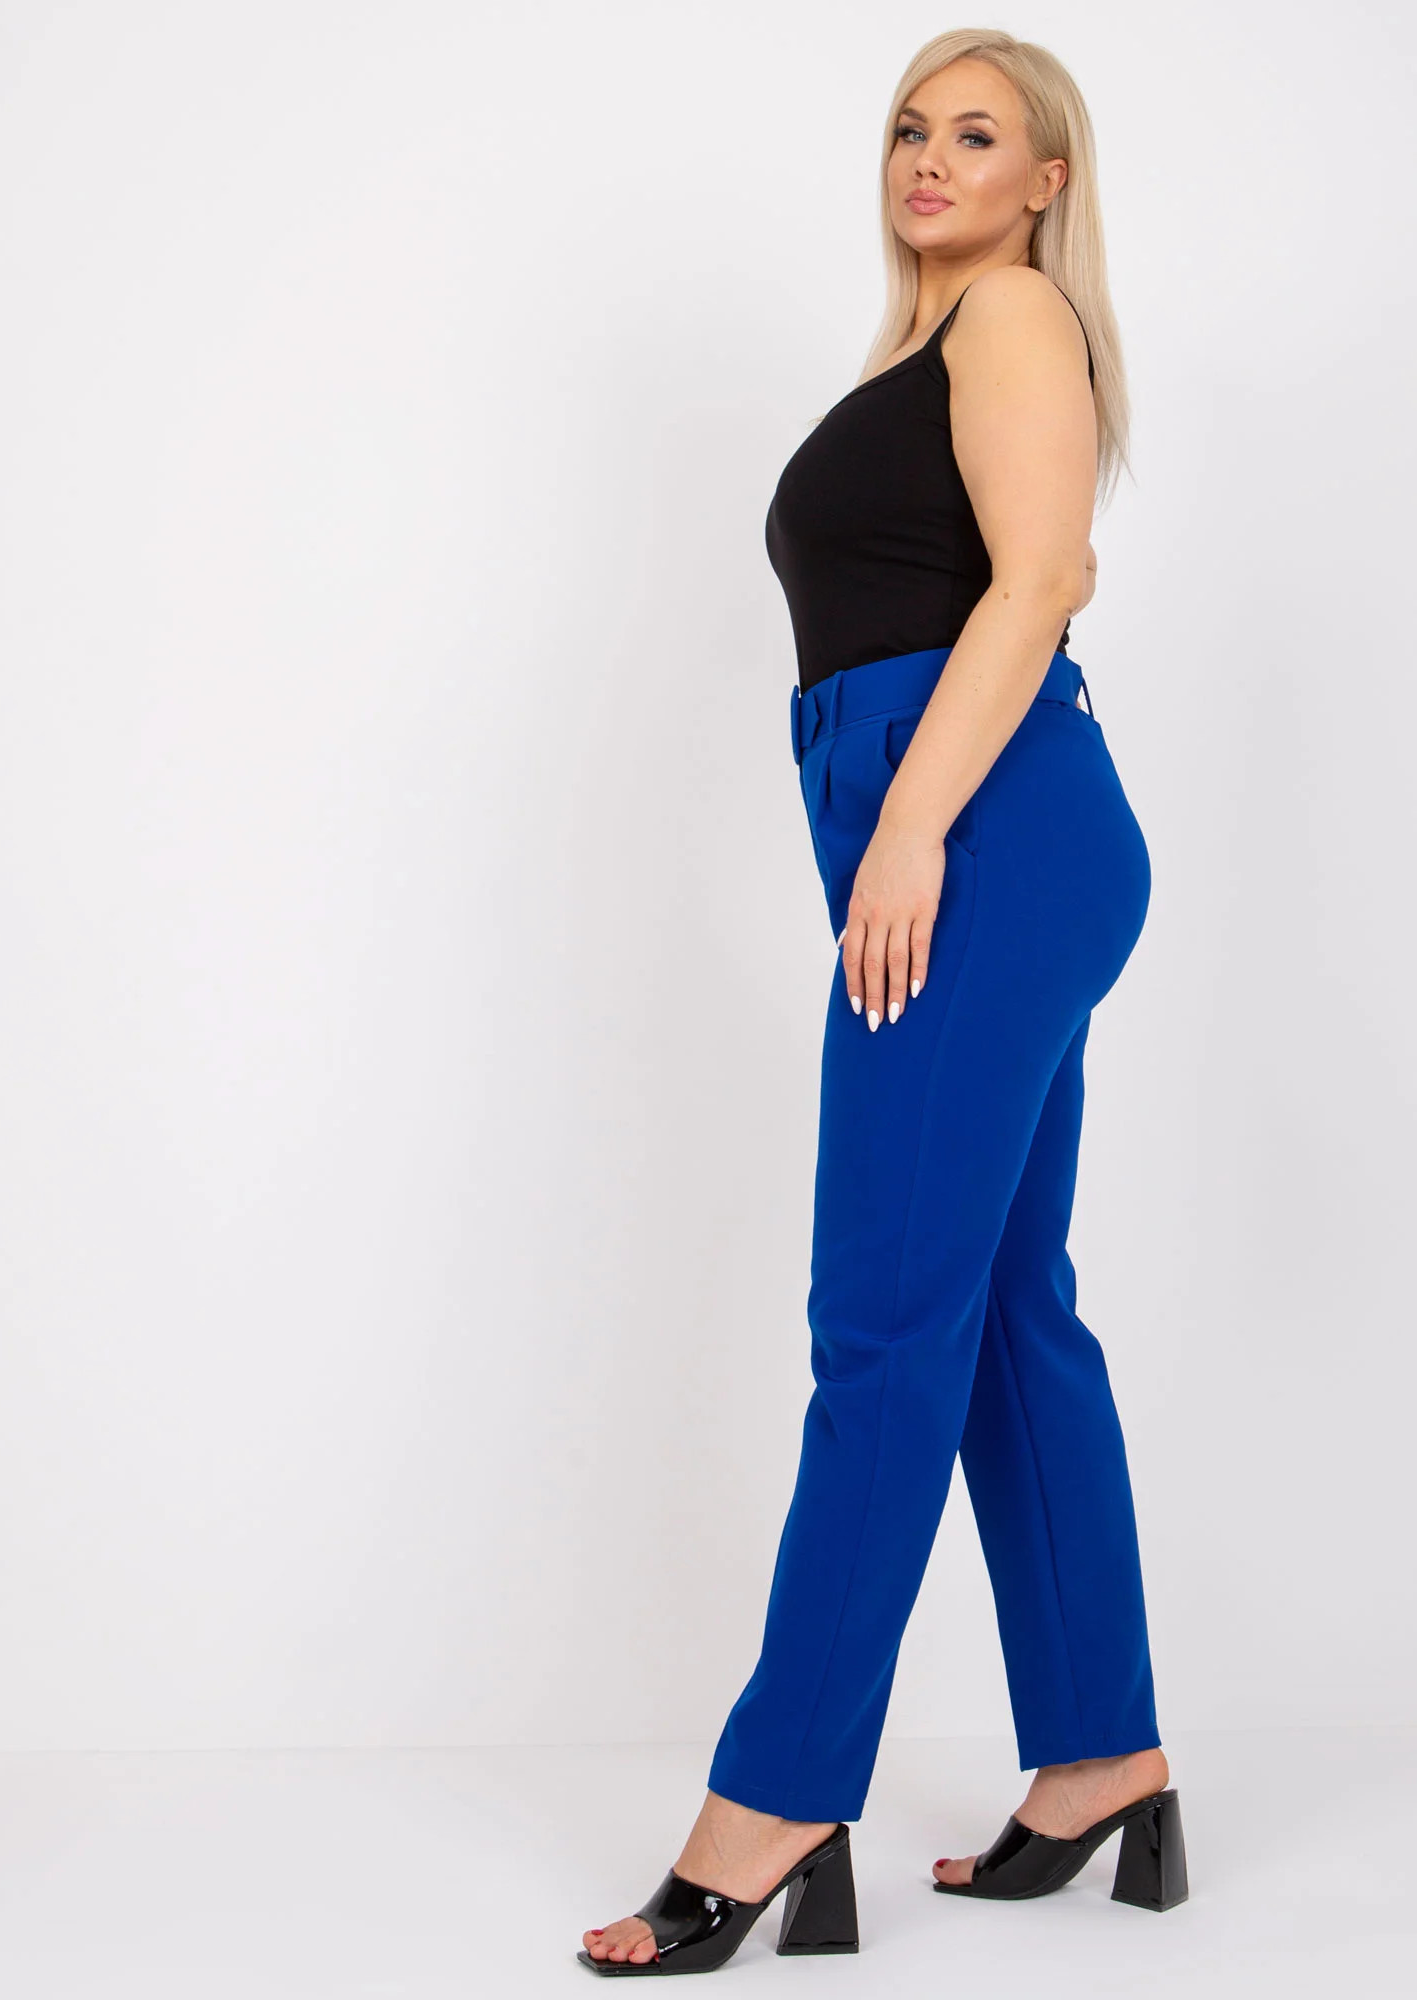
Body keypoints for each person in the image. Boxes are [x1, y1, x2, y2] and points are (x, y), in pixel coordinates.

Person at [578, 27, 1187, 1977]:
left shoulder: (1012, 315)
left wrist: (909, 825)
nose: (932, 157)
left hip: (982, 829)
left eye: (979, 134)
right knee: (999, 1310)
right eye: (913, 127)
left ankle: (773, 1805)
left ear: (1045, 182)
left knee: (883, 1325)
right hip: (981, 832)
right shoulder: (913, 350)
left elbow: (1042, 575)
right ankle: (1104, 1755)